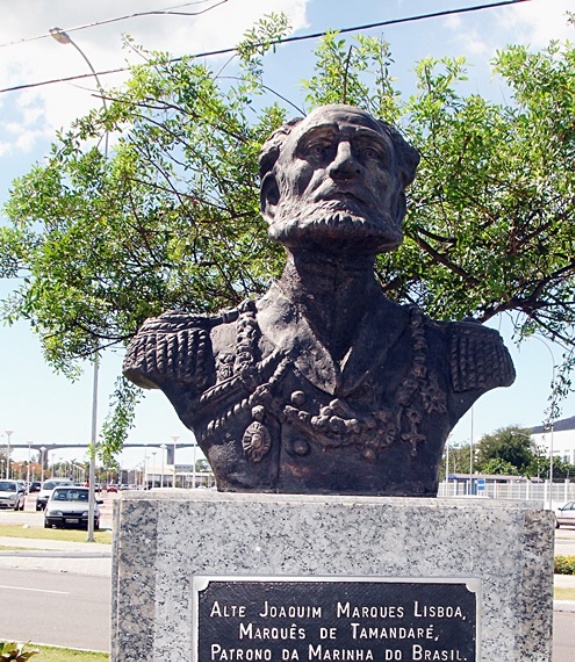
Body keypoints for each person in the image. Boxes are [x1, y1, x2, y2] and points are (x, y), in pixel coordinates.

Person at [123, 104, 515, 495]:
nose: (344, 166)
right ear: (273, 198)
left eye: (370, 154)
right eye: (318, 150)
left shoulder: (457, 356)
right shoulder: (191, 353)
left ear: (397, 206)